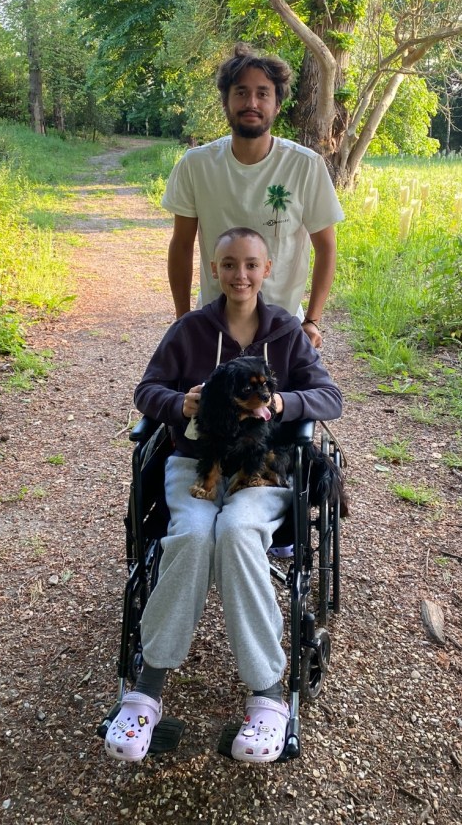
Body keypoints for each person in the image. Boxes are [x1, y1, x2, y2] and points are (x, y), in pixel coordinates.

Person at [105, 227, 342, 764]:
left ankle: (268, 696)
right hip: (194, 460)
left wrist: (281, 406)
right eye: (230, 264)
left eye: (251, 265)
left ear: (267, 270)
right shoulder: (190, 330)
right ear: (216, 270)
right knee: (189, 535)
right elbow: (146, 390)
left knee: (236, 533)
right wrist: (178, 403)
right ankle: (147, 689)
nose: (241, 275)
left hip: (261, 467)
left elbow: (330, 396)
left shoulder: (285, 331)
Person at [163, 42, 345, 349]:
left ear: (277, 105)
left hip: (284, 325)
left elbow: (326, 247)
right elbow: (181, 245)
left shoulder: (305, 166)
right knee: (209, 397)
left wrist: (311, 320)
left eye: (263, 93)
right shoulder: (196, 165)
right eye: (241, 92)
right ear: (226, 102)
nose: (252, 102)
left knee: (281, 399)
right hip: (214, 323)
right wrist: (184, 321)